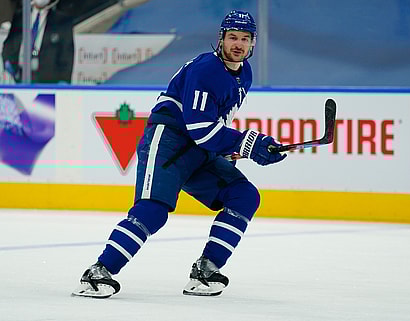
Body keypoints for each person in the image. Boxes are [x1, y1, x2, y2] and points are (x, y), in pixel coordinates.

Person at [72, 10, 287, 299]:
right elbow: (199, 128)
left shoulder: (243, 74)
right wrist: (248, 144)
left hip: (199, 150)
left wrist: (233, 147)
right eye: (233, 37)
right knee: (153, 211)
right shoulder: (205, 70)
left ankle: (206, 270)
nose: (238, 44)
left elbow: (214, 123)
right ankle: (98, 273)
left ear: (253, 43)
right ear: (221, 38)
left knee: (244, 195)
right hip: (168, 143)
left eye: (245, 39)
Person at [1, 0, 74, 84]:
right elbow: (8, 45)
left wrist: (63, 82)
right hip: (20, 80)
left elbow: (67, 55)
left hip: (48, 83)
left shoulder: (62, 22)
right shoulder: (19, 17)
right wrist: (11, 68)